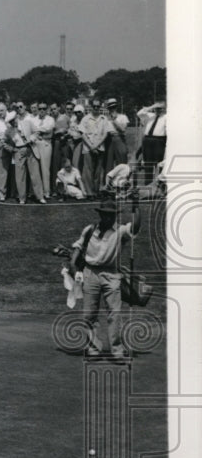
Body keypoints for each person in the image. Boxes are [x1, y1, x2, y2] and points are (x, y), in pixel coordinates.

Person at [70, 196, 141, 358]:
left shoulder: (120, 231)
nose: (109, 218)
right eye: (106, 214)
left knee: (114, 313)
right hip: (90, 273)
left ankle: (117, 350)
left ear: (116, 215)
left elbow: (135, 227)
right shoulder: (89, 229)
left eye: (112, 215)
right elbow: (78, 246)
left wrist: (136, 206)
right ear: (101, 215)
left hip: (112, 273)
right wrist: (74, 264)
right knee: (89, 314)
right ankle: (93, 348)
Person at [136, 101, 166, 183]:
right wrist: (151, 107)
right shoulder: (150, 116)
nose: (158, 110)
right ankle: (148, 184)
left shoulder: (166, 117)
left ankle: (159, 185)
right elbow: (139, 113)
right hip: (147, 140)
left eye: (160, 108)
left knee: (159, 164)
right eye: (156, 108)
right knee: (148, 164)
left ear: (163, 109)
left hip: (159, 141)